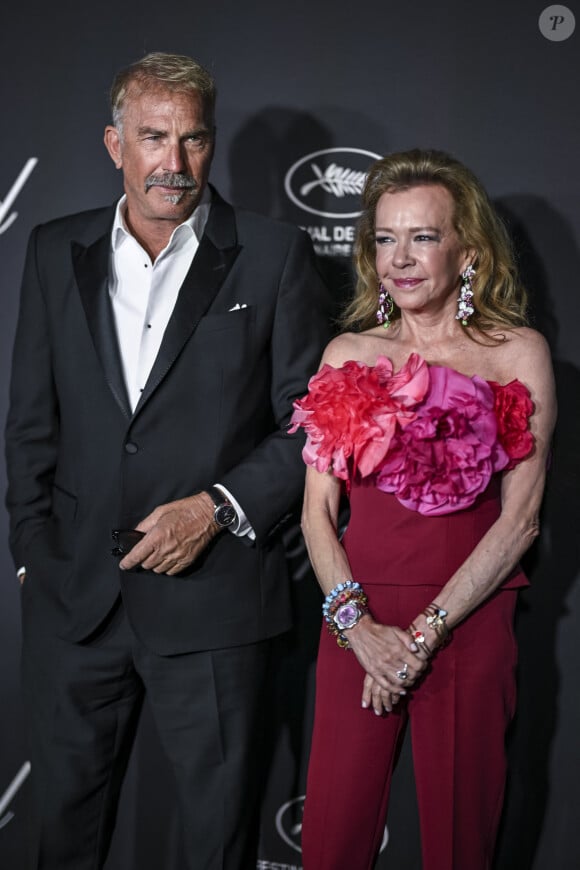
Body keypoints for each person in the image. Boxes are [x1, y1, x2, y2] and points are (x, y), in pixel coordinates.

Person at [5, 52, 329, 870]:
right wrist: (32, 558)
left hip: (217, 605)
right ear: (116, 144)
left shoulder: (275, 253)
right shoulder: (53, 250)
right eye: (154, 137)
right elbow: (29, 424)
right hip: (74, 605)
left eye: (193, 139)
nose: (174, 163)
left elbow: (309, 426)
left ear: (212, 145)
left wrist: (214, 507)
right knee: (62, 844)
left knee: (215, 845)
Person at [291, 149, 556, 870]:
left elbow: (520, 520)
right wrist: (358, 626)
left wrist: (425, 633)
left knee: (459, 846)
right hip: (358, 624)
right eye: (384, 238)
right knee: (331, 845)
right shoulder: (347, 352)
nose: (400, 259)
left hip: (469, 619)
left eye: (423, 237)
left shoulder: (517, 354)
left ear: (467, 252)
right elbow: (318, 513)